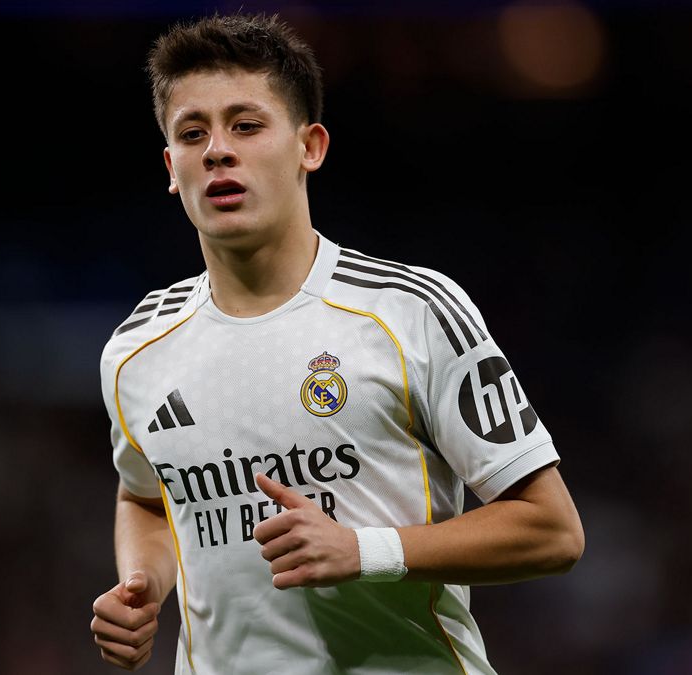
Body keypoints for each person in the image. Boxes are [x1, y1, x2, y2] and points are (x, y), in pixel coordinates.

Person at [91, 13, 584, 674]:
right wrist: (143, 583)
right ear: (172, 168)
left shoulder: (409, 312)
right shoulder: (137, 348)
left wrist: (365, 550)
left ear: (310, 146)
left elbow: (552, 529)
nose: (217, 151)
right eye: (192, 133)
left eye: (246, 125)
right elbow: (146, 496)